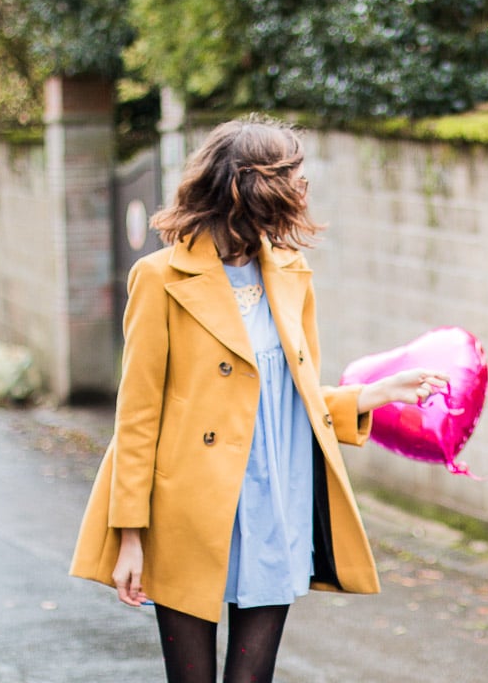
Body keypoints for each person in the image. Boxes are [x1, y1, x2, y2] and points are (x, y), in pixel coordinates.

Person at [70, 115, 449, 682]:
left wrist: (375, 394)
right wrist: (130, 538)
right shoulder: (160, 278)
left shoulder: (292, 274)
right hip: (187, 510)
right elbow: (137, 417)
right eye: (293, 177)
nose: (302, 190)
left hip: (276, 501)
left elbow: (287, 396)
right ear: (250, 186)